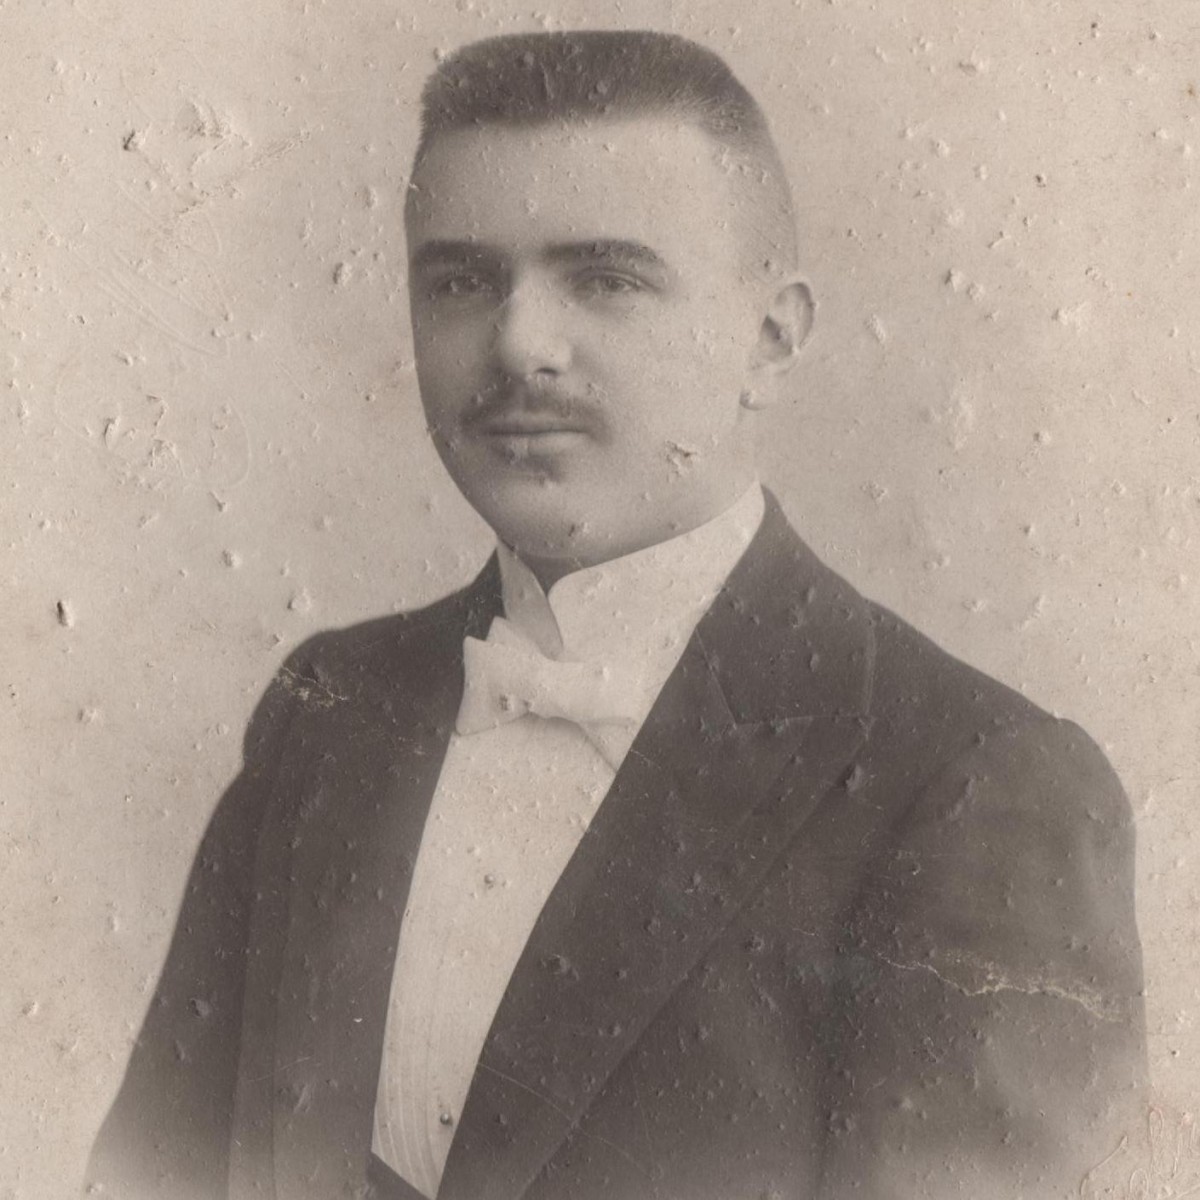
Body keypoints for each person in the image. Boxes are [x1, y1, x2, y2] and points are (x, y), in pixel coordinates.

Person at [86, 30, 1147, 1200]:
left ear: (772, 336)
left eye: (608, 278)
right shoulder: (329, 712)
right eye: (460, 281)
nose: (520, 344)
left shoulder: (969, 779)